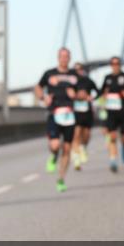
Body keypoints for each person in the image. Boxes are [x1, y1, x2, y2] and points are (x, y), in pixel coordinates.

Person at [35, 47, 78, 192]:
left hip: (70, 115)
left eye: (67, 56)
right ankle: (53, 156)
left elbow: (86, 92)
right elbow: (38, 88)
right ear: (58, 57)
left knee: (67, 149)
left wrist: (76, 95)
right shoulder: (49, 73)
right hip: (54, 113)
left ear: (70, 58)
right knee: (55, 145)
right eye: (62, 56)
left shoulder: (75, 75)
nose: (64, 59)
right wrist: (43, 97)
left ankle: (61, 179)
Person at [99, 57, 124, 172]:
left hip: (123, 111)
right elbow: (101, 92)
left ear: (120, 64)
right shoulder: (107, 78)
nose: (115, 65)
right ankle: (113, 160)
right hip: (111, 112)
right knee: (112, 136)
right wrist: (103, 96)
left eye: (117, 63)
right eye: (113, 64)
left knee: (123, 137)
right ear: (110, 65)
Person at [71, 62, 98, 170]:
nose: (78, 71)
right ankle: (76, 159)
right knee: (76, 134)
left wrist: (92, 97)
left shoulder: (89, 81)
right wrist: (75, 96)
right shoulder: (70, 82)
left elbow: (98, 91)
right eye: (76, 69)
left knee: (86, 134)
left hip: (87, 111)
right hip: (75, 111)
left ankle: (83, 147)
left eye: (80, 69)